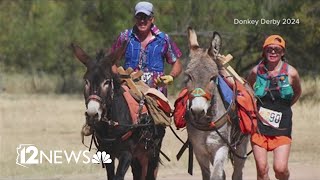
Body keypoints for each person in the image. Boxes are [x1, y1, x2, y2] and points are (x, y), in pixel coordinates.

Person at [246, 35, 302, 180]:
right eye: (269, 49)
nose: (273, 52)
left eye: (277, 49)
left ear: (282, 52)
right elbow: (247, 90)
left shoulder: (292, 73)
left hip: (282, 126)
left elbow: (297, 92)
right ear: (264, 51)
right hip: (259, 126)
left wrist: (285, 107)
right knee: (262, 169)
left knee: (280, 169)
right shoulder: (255, 72)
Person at [111, 1, 182, 96]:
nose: (142, 21)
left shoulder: (163, 39)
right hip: (129, 91)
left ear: (152, 19)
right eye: (139, 17)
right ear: (135, 19)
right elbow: (111, 61)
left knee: (167, 110)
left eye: (145, 18)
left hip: (156, 92)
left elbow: (177, 63)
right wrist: (118, 78)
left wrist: (171, 77)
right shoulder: (125, 37)